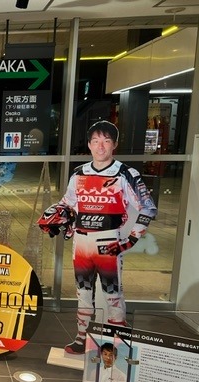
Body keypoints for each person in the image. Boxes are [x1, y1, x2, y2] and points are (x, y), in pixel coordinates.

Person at [38, 120, 158, 354]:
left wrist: (130, 240)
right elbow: (68, 203)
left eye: (106, 141)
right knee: (83, 293)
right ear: (89, 145)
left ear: (114, 144)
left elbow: (148, 208)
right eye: (95, 141)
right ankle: (81, 338)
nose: (100, 146)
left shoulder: (126, 173)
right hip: (81, 243)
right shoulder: (79, 173)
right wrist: (56, 216)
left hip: (109, 241)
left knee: (113, 294)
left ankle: (117, 344)